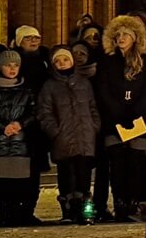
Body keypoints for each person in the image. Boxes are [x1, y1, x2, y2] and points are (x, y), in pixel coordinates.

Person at [97, 15, 146, 220]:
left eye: (126, 34)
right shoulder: (107, 63)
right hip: (114, 122)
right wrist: (118, 114)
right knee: (117, 165)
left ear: (135, 38)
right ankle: (120, 203)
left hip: (138, 122)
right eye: (119, 35)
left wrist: (136, 114)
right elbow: (104, 91)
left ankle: (136, 203)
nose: (122, 38)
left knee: (137, 164)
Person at [36, 43, 101, 222]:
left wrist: (94, 125)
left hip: (84, 137)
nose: (63, 63)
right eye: (58, 61)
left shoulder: (84, 83)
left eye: (66, 59)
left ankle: (84, 208)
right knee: (66, 176)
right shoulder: (50, 86)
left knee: (83, 175)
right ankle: (68, 208)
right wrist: (54, 131)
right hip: (63, 139)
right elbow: (44, 112)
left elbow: (92, 106)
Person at [0, 50, 40, 225]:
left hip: (20, 141)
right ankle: (5, 214)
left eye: (16, 65)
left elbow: (33, 111)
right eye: (8, 65)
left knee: (22, 181)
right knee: (3, 182)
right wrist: (2, 126)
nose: (12, 69)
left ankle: (23, 213)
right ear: (0, 68)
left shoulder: (26, 89)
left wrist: (20, 124)